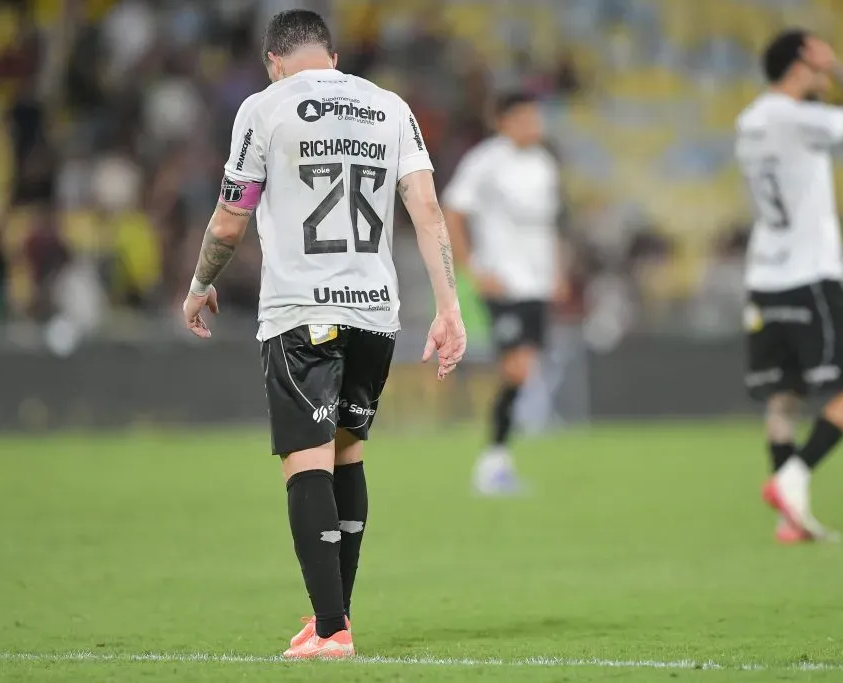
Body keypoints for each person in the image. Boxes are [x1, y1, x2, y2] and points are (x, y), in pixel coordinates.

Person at [181, 10, 465, 659]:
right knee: (347, 455)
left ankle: (332, 630)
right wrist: (448, 305)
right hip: (375, 313)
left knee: (306, 461)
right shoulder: (390, 106)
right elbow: (424, 207)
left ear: (273, 60)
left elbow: (230, 222)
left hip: (301, 311)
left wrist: (200, 285)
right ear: (332, 57)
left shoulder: (264, 105)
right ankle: (331, 619)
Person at [735, 30, 843, 543]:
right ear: (804, 61)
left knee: (784, 395)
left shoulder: (751, 119)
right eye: (819, 55)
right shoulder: (799, 118)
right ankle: (792, 479)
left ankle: (790, 520)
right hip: (809, 274)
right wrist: (842, 70)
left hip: (764, 276)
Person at [443, 93, 562, 496]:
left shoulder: (544, 165)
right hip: (504, 281)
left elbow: (548, 226)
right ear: (504, 121)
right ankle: (492, 462)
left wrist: (558, 272)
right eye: (525, 117)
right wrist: (472, 269)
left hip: (537, 283)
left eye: (536, 116)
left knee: (523, 367)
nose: (534, 124)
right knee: (516, 367)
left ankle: (497, 459)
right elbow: (453, 210)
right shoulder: (485, 161)